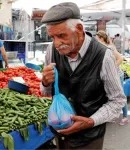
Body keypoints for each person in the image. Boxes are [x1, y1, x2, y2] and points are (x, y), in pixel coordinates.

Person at [40, 2, 126, 150]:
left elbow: (117, 101)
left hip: (89, 140)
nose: (57, 43)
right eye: (52, 37)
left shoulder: (104, 56)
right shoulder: (51, 51)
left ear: (79, 29)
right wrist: (45, 82)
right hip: (60, 134)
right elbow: (46, 93)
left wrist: (91, 121)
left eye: (61, 36)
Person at [96, 30, 129, 125]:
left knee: (119, 95)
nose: (96, 41)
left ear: (101, 38)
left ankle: (125, 117)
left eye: (97, 39)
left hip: (117, 75)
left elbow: (120, 58)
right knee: (110, 95)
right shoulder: (102, 47)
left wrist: (112, 70)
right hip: (110, 76)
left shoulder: (109, 47)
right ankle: (111, 115)